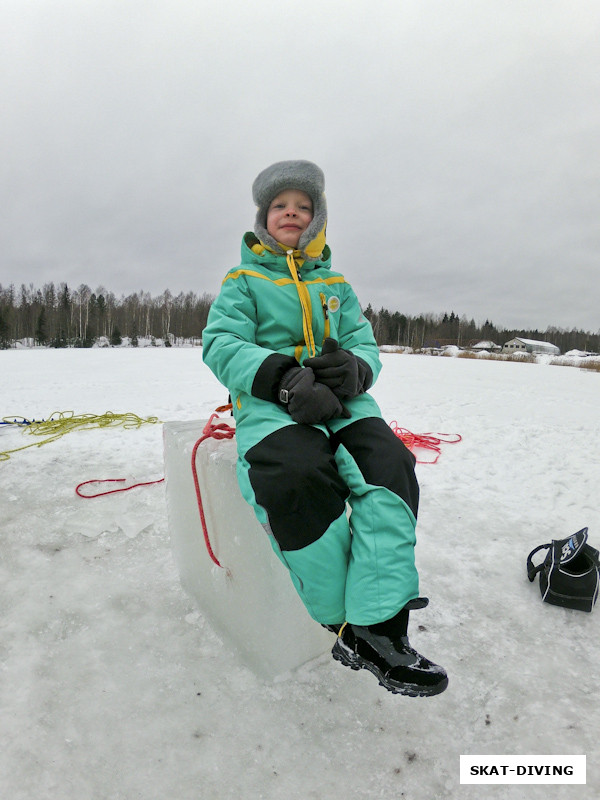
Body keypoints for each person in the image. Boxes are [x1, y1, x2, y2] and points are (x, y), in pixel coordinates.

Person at [202, 160, 447, 697]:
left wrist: (355, 369)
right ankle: (345, 625)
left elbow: (364, 343)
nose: (292, 211)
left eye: (304, 206)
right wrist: (283, 378)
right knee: (295, 476)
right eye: (280, 205)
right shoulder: (243, 280)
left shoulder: (337, 283)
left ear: (318, 220)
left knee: (390, 467)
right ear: (264, 219)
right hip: (273, 403)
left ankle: (382, 625)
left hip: (343, 403)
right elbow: (220, 344)